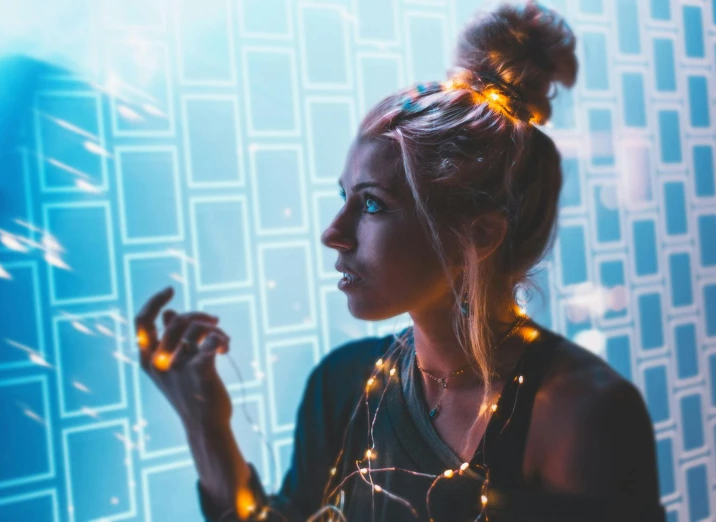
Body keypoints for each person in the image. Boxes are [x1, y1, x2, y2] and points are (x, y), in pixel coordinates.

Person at [134, 2, 666, 521]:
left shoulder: (578, 416)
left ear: (476, 237)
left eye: (371, 203)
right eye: (342, 197)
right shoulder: (342, 385)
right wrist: (205, 425)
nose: (333, 234)